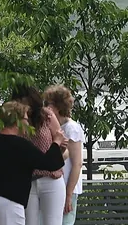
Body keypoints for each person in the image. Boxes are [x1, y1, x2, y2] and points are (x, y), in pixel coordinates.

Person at [0, 100, 67, 225]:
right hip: (10, 202)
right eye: (25, 119)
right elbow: (49, 163)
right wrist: (56, 142)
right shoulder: (21, 145)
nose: (27, 123)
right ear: (17, 121)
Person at [12, 85, 67, 225]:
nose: (21, 104)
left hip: (51, 177)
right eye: (17, 100)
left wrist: (59, 147)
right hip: (26, 179)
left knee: (53, 222)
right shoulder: (14, 119)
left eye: (23, 100)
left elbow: (61, 143)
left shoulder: (46, 115)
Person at [43, 85, 84, 225]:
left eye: (50, 104)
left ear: (59, 106)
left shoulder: (71, 128)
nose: (47, 107)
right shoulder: (54, 127)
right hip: (55, 188)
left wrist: (68, 195)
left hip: (68, 188)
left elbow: (77, 164)